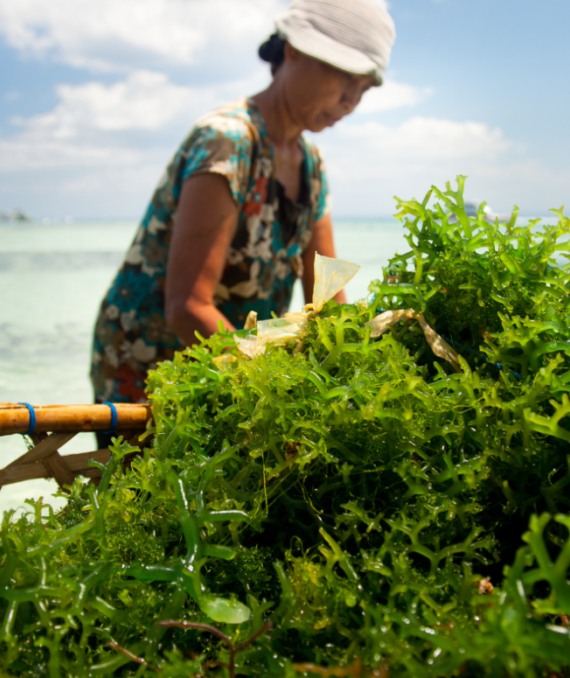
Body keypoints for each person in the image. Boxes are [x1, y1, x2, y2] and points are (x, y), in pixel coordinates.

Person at [90, 0, 396, 448]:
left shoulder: (311, 165)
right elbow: (187, 308)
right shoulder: (228, 141)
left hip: (234, 368)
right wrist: (283, 387)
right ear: (293, 51)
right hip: (150, 365)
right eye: (344, 78)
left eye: (364, 89)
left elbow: (327, 302)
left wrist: (359, 370)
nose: (351, 101)